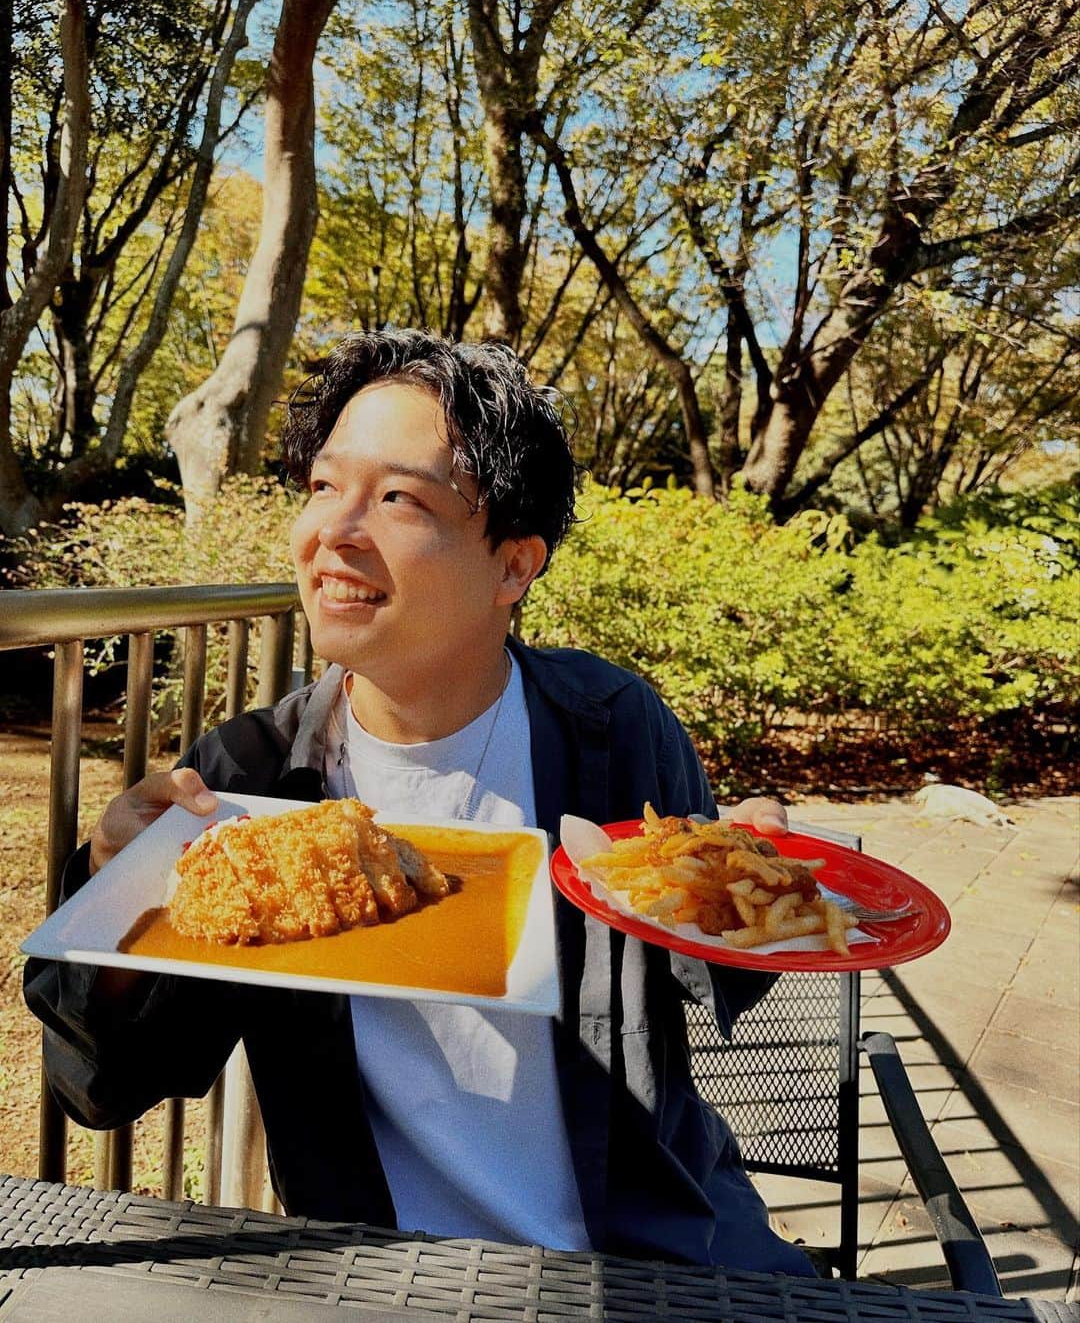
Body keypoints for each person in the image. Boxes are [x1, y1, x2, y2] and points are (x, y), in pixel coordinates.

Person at [24, 330, 813, 1275]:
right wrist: (117, 890)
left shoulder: (614, 728)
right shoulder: (252, 778)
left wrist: (753, 892)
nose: (335, 532)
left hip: (656, 1249)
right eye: (323, 486)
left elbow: (710, 976)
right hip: (388, 1273)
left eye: (398, 497)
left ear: (514, 567)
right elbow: (102, 1085)